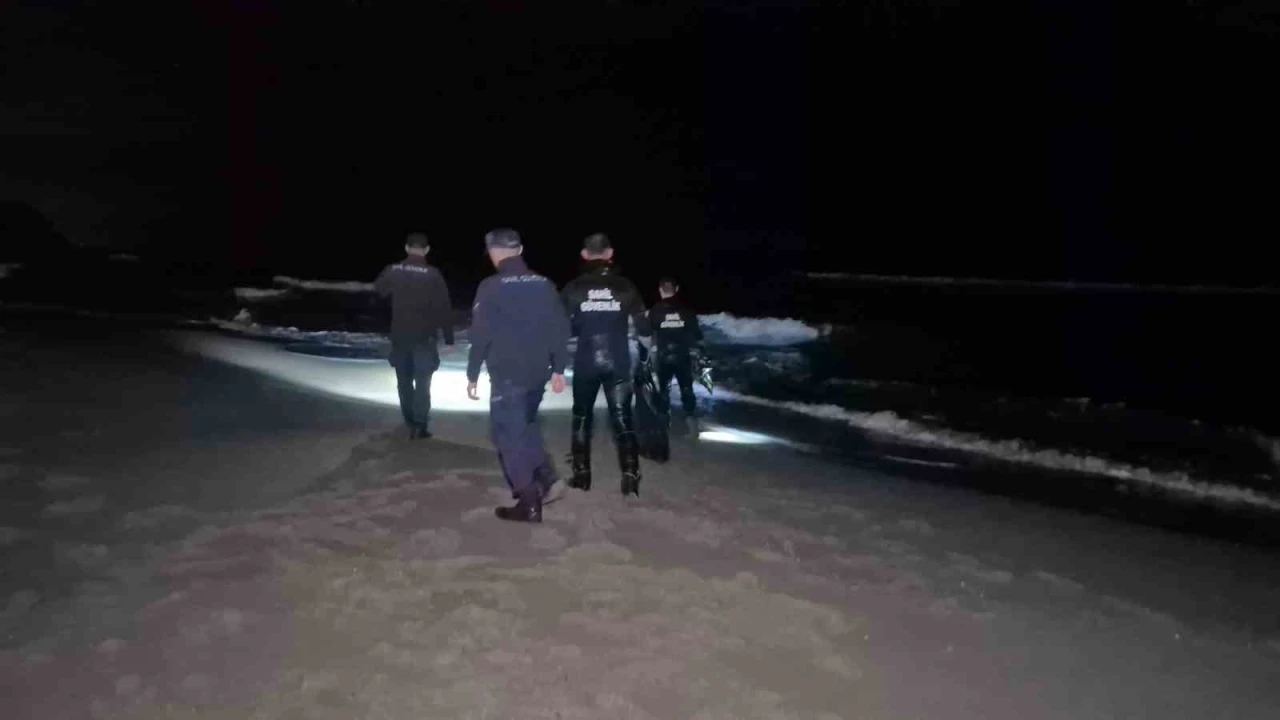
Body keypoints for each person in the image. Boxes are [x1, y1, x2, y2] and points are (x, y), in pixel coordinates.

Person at [466, 228, 571, 523]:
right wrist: (559, 368)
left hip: (507, 373)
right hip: (538, 372)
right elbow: (560, 329)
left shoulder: (491, 286)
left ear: (492, 253)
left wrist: (472, 374)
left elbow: (480, 334)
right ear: (520, 250)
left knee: (507, 436)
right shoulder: (544, 284)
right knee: (526, 426)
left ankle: (529, 502)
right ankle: (548, 479)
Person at [560, 232, 651, 496]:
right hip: (618, 361)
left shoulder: (573, 288)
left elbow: (560, 329)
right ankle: (631, 475)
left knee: (581, 417)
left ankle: (582, 476)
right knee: (622, 419)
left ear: (584, 255)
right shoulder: (626, 286)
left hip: (586, 361)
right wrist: (646, 356)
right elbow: (644, 329)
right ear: (610, 254)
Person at [374, 232, 454, 439]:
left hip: (400, 336)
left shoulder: (393, 269)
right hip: (425, 338)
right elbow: (444, 307)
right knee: (423, 383)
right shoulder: (433, 274)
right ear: (426, 250)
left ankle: (409, 420)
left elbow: (379, 292)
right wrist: (449, 338)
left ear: (407, 248)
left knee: (404, 382)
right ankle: (420, 424)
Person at [648, 277, 704, 433]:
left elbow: (647, 333)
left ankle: (663, 421)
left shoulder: (655, 311)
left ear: (660, 290)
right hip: (683, 355)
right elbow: (697, 335)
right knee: (686, 387)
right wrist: (699, 353)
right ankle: (691, 419)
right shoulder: (687, 310)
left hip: (663, 355)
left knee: (663, 389)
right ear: (677, 289)